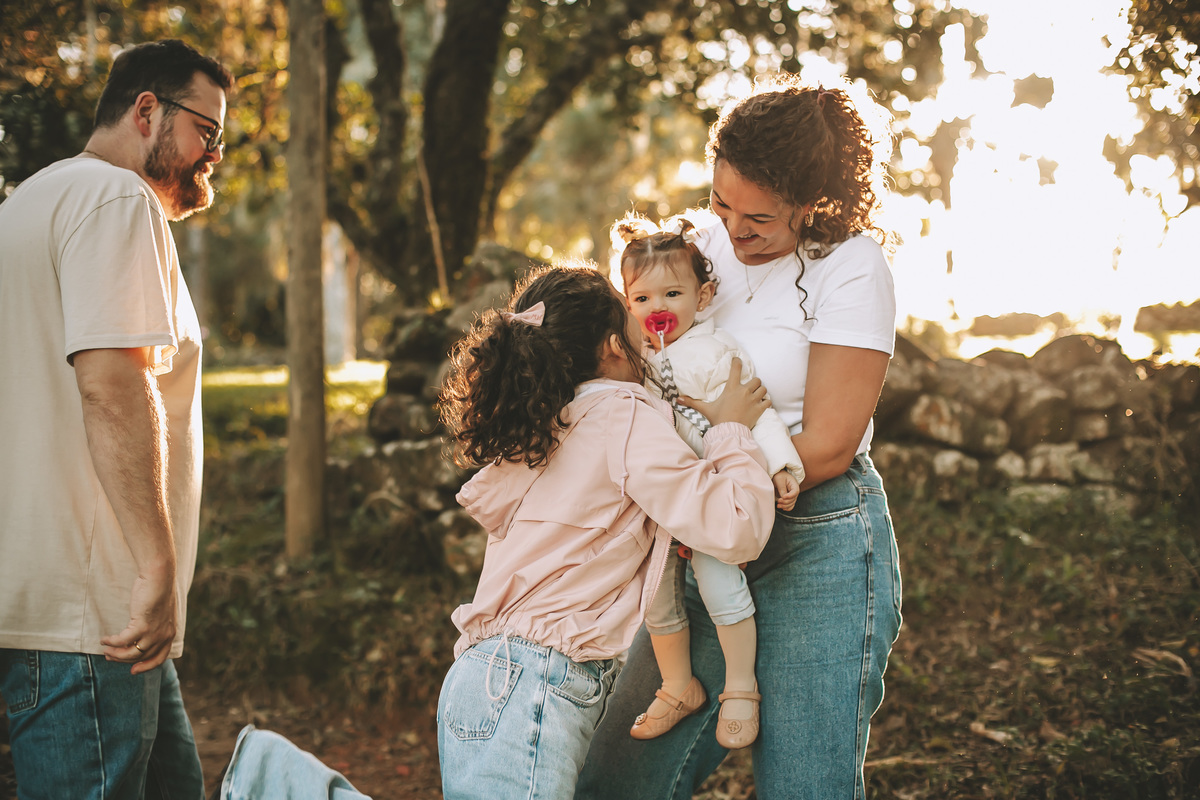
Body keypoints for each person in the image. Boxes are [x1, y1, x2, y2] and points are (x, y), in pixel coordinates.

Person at [577, 75, 903, 799]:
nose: (731, 229)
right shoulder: (692, 249)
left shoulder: (852, 268)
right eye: (721, 202)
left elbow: (827, 444)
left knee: (803, 785)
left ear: (813, 204)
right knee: (617, 779)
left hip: (814, 531)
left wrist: (716, 469)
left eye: (757, 217)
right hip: (696, 525)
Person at [436, 263, 779, 799]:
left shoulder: (544, 426)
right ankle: (272, 773)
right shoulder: (623, 413)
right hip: (532, 683)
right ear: (616, 346)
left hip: (477, 681)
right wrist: (732, 429)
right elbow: (735, 527)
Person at [0, 40, 232, 800]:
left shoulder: (27, 202)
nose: (213, 155)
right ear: (146, 111)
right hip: (96, 613)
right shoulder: (116, 200)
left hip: (59, 607)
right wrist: (157, 566)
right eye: (207, 129)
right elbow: (111, 386)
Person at [612, 215, 804, 750]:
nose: (658, 308)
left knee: (720, 583)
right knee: (655, 597)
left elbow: (755, 410)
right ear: (626, 304)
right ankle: (678, 684)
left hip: (715, 491)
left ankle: (741, 687)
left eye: (673, 293)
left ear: (705, 294)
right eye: (642, 298)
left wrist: (780, 465)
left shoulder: (717, 350)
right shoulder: (634, 361)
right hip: (659, 498)